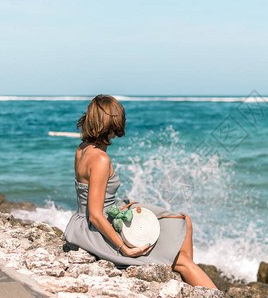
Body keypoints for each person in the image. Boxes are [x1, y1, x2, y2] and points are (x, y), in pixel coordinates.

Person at [64, 94, 216, 289]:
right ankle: (188, 272)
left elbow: (91, 201)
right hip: (97, 230)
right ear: (111, 125)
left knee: (183, 220)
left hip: (91, 220)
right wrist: (124, 248)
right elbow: (94, 215)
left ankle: (183, 273)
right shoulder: (100, 159)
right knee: (182, 261)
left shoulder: (83, 148)